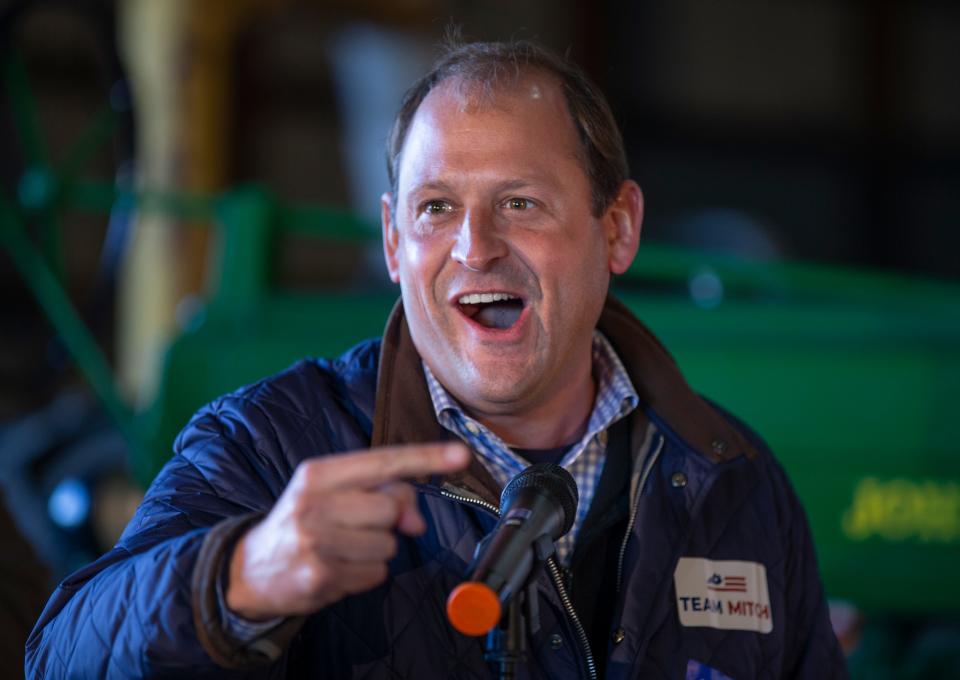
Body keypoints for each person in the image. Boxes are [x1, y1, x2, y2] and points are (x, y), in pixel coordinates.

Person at [25, 40, 847, 679]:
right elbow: (59, 656)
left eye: (520, 203)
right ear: (391, 240)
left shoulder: (734, 481)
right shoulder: (271, 444)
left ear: (617, 230)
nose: (475, 247)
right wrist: (238, 578)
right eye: (436, 208)